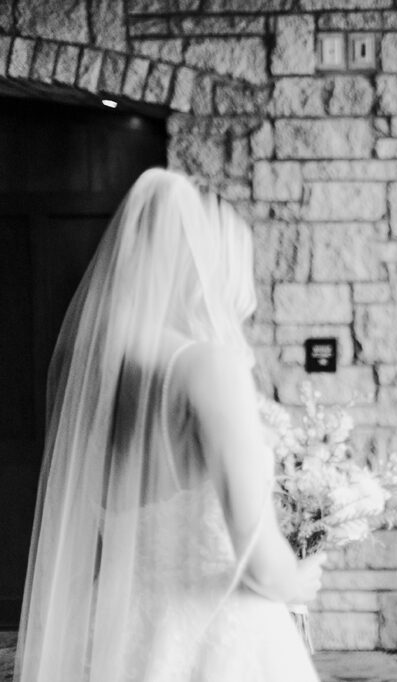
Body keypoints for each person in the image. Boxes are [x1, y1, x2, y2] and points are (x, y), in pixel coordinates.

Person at [15, 168, 324, 682]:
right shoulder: (209, 366)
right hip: (218, 635)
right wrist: (299, 578)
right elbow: (261, 564)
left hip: (121, 635)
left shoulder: (96, 370)